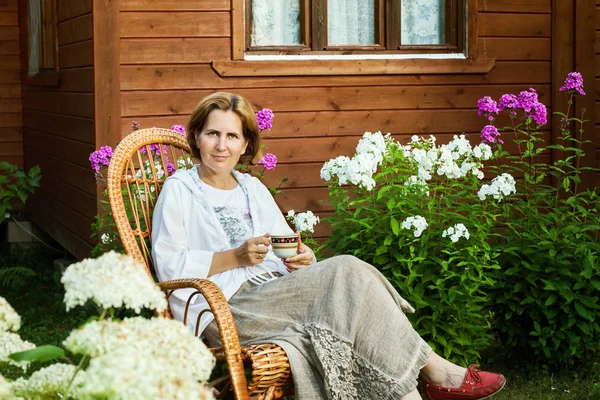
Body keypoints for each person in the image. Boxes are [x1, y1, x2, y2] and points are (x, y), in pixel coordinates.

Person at [151, 92, 505, 400]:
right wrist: (236, 256)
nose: (221, 145)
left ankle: (413, 393)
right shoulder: (180, 189)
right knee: (348, 271)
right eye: (213, 133)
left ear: (245, 145)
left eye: (232, 135)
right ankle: (437, 371)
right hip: (224, 309)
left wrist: (303, 260)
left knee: (350, 296)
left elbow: (283, 246)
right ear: (196, 136)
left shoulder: (250, 188)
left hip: (274, 295)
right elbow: (168, 265)